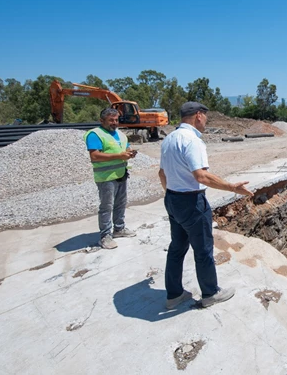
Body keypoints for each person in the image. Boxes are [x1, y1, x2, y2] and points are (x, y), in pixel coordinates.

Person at [159, 102, 254, 310]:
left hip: (173, 199)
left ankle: (174, 295)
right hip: (191, 202)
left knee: (176, 248)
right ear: (199, 115)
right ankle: (210, 293)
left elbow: (162, 174)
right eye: (206, 117)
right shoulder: (192, 141)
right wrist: (231, 187)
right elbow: (201, 175)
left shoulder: (168, 139)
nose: (206, 121)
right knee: (203, 250)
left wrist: (173, 194)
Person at [85, 108, 137, 249]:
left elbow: (125, 148)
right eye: (111, 120)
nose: (115, 123)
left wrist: (129, 153)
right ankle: (105, 236)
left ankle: (119, 229)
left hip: (121, 174)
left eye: (116, 120)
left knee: (120, 203)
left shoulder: (120, 134)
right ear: (102, 121)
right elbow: (94, 156)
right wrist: (119, 156)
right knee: (107, 207)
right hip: (106, 177)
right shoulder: (95, 134)